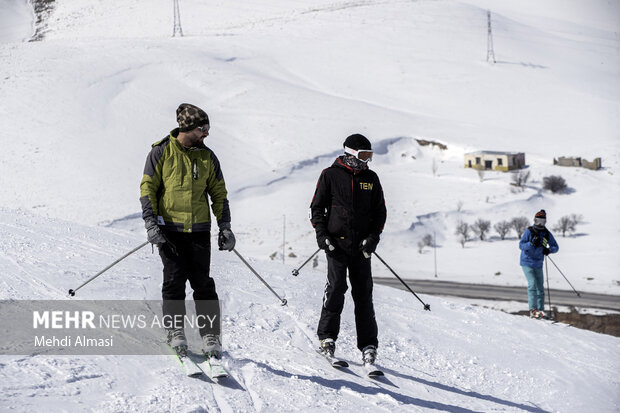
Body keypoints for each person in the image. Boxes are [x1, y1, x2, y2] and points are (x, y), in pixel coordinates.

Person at [140, 103, 236, 358]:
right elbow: (147, 189)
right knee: (173, 281)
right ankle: (175, 331)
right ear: (188, 128)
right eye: (203, 129)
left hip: (199, 229)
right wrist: (150, 223)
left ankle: (209, 335)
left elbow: (219, 193)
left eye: (208, 128)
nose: (207, 133)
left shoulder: (208, 157)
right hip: (168, 229)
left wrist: (224, 226)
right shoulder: (160, 152)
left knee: (203, 283)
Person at [309, 133, 387, 367]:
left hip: (361, 248)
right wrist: (322, 236)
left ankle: (368, 345)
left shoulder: (371, 178)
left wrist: (373, 238)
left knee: (363, 294)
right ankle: (327, 338)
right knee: (336, 289)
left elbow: (380, 213)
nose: (367, 161)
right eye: (364, 155)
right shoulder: (330, 175)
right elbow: (317, 209)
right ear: (350, 153)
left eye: (370, 156)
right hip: (336, 245)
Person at [519, 209, 559, 319]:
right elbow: (521, 245)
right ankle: (533, 310)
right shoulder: (529, 231)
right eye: (538, 221)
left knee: (540, 288)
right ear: (534, 220)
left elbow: (556, 247)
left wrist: (549, 250)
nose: (540, 224)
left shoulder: (546, 233)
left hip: (538, 263)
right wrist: (531, 244)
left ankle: (541, 310)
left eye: (542, 221)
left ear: (545, 222)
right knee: (532, 284)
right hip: (527, 262)